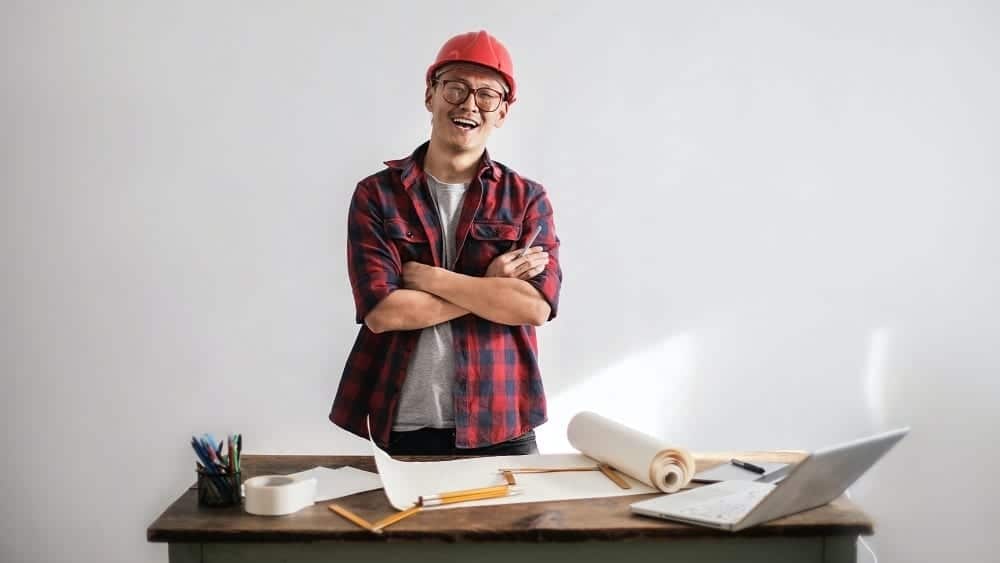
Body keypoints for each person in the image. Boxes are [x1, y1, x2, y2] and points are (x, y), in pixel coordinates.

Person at [329, 30, 562, 456]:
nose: (470, 104)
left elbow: (533, 308)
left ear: (502, 112)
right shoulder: (377, 195)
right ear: (430, 95)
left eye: (487, 95)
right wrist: (490, 286)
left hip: (504, 424)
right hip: (406, 426)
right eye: (456, 87)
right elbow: (384, 313)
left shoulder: (526, 199)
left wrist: (430, 279)